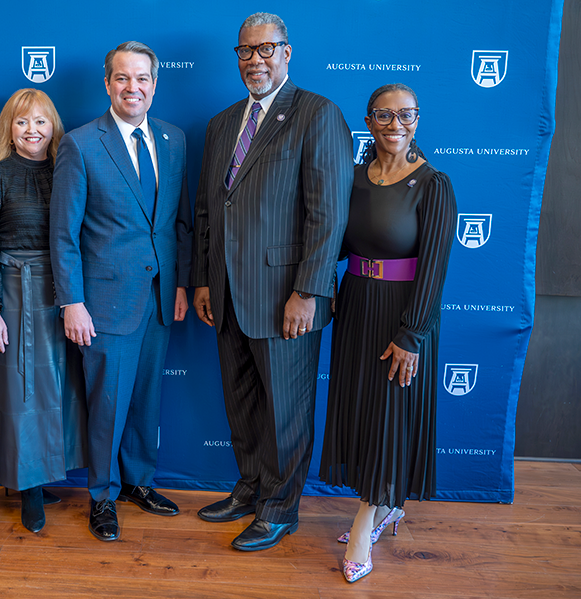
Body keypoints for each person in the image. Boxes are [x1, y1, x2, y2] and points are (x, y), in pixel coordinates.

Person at [191, 12, 352, 552]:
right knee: (242, 401)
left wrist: (308, 291)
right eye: (245, 51)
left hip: (288, 296)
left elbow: (326, 215)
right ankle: (252, 487)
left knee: (285, 408)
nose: (254, 60)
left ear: (287, 52)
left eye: (266, 49)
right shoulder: (221, 124)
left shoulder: (317, 114)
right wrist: (205, 280)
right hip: (228, 291)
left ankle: (281, 508)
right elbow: (208, 211)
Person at [50, 41, 192, 542]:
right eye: (122, 79)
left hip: (158, 298)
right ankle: (103, 496)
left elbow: (179, 224)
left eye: (143, 79)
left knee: (146, 401)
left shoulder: (173, 140)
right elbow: (63, 234)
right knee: (107, 405)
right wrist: (72, 301)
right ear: (107, 84)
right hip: (104, 304)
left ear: (155, 84)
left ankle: (138, 482)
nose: (133, 88)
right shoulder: (81, 143)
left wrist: (179, 286)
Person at [318, 83, 457, 583]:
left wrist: (412, 335)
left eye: (406, 115)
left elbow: (434, 270)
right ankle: (387, 507)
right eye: (383, 115)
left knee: (390, 415)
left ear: (417, 119)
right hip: (357, 306)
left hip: (404, 316)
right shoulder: (353, 178)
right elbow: (332, 242)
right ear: (369, 120)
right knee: (363, 411)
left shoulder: (434, 183)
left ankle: (363, 524)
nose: (395, 125)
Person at [0, 88, 87, 533]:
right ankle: (27, 488)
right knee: (22, 393)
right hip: (13, 297)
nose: (31, 131)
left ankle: (41, 472)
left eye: (40, 122)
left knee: (55, 391)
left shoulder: (68, 172)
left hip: (62, 296)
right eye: (21, 122)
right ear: (8, 130)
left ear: (54, 128)